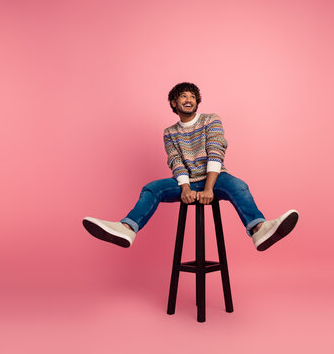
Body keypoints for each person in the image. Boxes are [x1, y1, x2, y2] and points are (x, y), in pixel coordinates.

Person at [82, 82, 299, 251]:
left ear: (197, 102)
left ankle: (259, 229)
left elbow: (216, 152)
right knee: (151, 188)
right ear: (174, 103)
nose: (189, 99)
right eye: (184, 96)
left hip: (215, 178)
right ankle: (127, 228)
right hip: (187, 182)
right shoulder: (169, 132)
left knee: (239, 185)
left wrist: (208, 188)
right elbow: (176, 162)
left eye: (192, 96)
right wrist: (185, 189)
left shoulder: (211, 120)